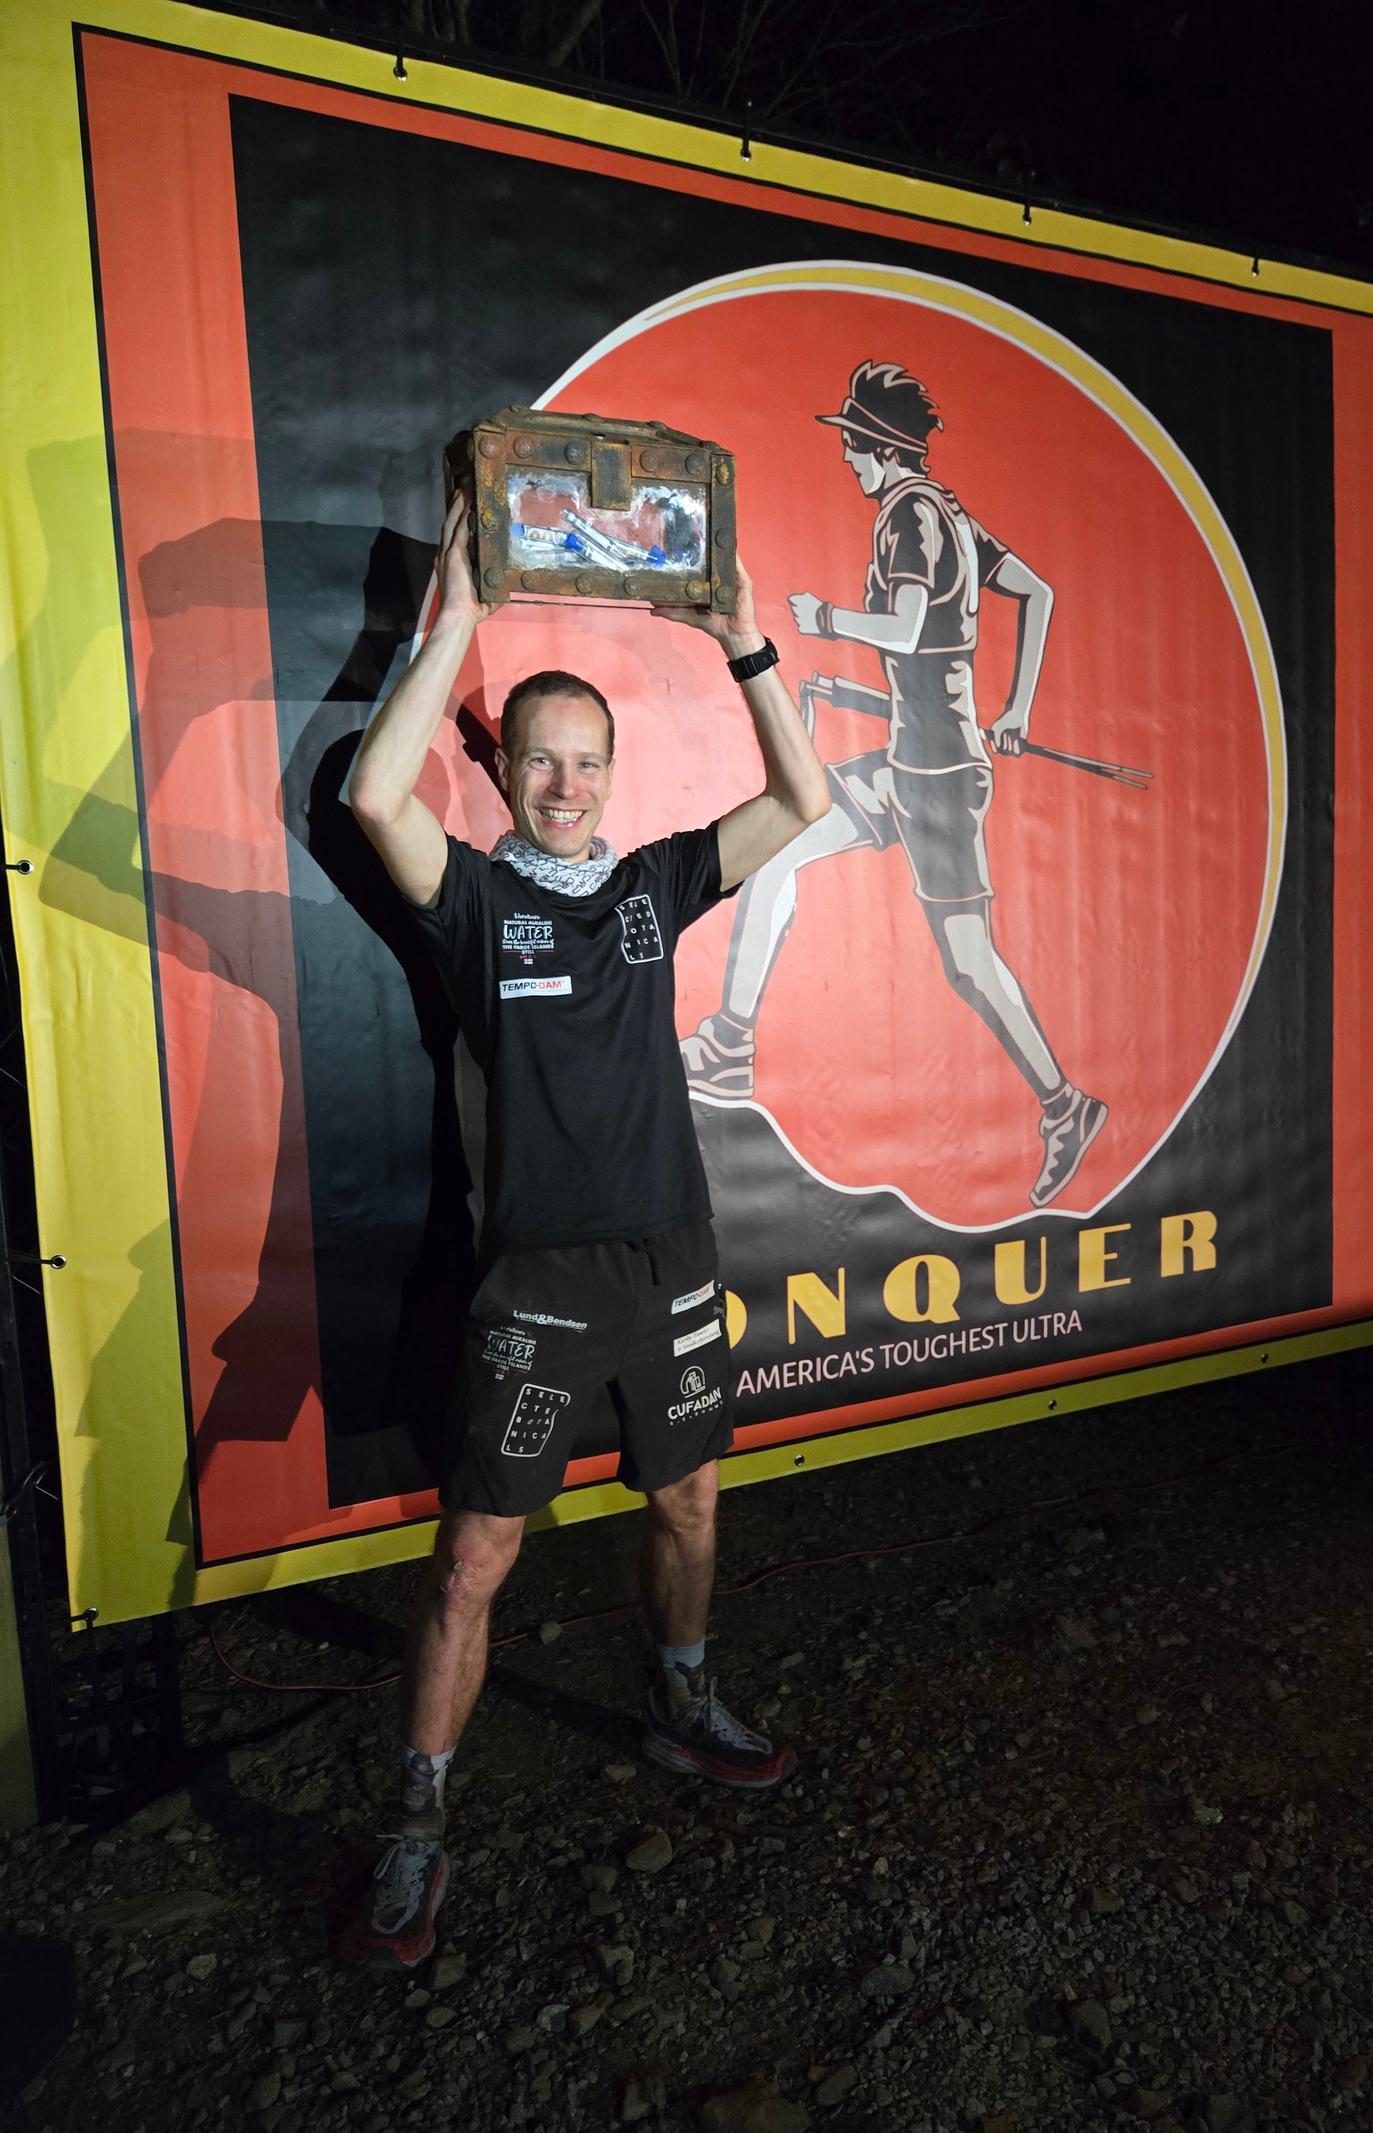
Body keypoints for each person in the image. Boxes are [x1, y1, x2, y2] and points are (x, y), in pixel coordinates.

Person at [340, 492, 830, 1968]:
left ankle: (682, 1700)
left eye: (586, 761)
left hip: (673, 1260)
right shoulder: (475, 902)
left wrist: (747, 645)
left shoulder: (648, 885)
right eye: (539, 758)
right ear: (506, 771)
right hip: (540, 1282)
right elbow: (372, 799)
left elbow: (804, 803)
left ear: (613, 775)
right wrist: (463, 615)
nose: (563, 783)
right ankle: (417, 1824)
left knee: (688, 1504)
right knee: (477, 1560)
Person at [681, 360, 1107, 1207]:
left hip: (938, 776)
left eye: (851, 446)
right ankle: (730, 1046)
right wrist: (1012, 707)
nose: (845, 461)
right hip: (916, 755)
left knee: (968, 962)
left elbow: (911, 632)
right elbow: (1037, 593)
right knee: (776, 853)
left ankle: (1065, 1105)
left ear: (880, 447)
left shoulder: (908, 516)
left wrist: (826, 620)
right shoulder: (949, 512)